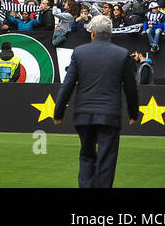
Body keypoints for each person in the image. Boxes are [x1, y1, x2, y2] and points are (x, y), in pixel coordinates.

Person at [53, 15, 141, 189]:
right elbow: (131, 88)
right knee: (107, 159)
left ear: (92, 33)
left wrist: (58, 112)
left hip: (84, 116)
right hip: (109, 116)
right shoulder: (122, 54)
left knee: (86, 156)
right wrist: (133, 113)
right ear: (111, 34)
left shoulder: (79, 52)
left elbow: (67, 85)